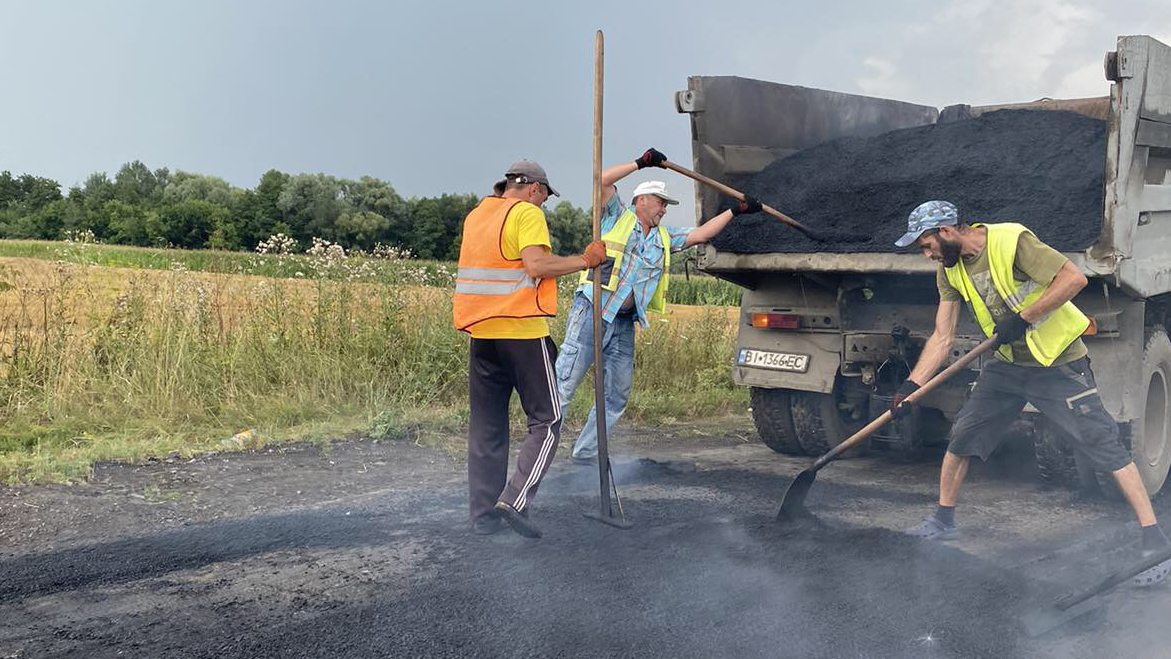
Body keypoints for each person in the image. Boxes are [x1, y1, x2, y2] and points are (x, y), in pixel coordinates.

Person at [892, 199, 1170, 585]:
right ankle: (943, 519)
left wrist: (1023, 319)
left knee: (1104, 444)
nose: (925, 255)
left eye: (925, 245)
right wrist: (912, 386)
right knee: (962, 438)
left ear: (946, 231)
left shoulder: (1010, 241)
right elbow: (943, 336)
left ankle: (1153, 540)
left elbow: (1075, 279)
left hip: (1057, 363)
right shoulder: (950, 270)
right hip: (1006, 366)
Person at [555, 147, 762, 464]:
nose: (665, 209)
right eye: (661, 202)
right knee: (565, 383)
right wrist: (640, 163)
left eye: (666, 205)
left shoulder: (664, 238)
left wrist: (735, 210)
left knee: (616, 394)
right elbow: (601, 180)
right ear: (642, 200)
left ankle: (586, 453)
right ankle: (541, 445)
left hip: (625, 323)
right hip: (592, 312)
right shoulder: (616, 218)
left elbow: (699, 234)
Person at [453, 160, 607, 538]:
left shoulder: (478, 214)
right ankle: (515, 500)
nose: (543, 205)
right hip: (522, 332)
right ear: (535, 189)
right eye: (544, 198)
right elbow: (536, 265)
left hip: (482, 334)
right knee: (548, 419)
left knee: (487, 426)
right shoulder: (525, 213)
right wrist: (586, 261)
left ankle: (483, 518)